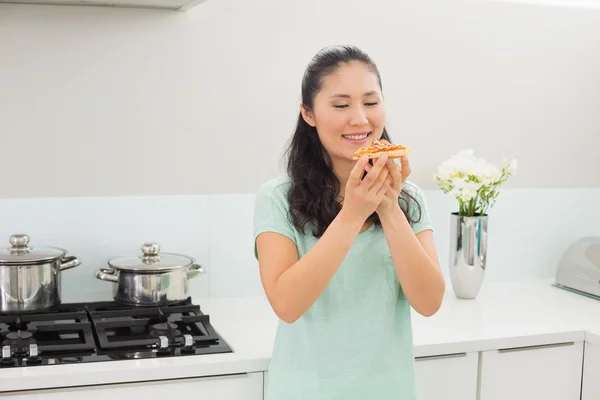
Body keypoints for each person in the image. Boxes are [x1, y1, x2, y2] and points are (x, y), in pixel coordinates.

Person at [253, 45, 446, 400]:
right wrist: (353, 213)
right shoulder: (277, 198)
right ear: (308, 113)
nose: (360, 119)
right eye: (341, 105)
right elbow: (287, 305)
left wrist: (389, 207)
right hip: (305, 390)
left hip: (391, 390)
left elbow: (430, 302)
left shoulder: (410, 196)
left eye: (371, 103)